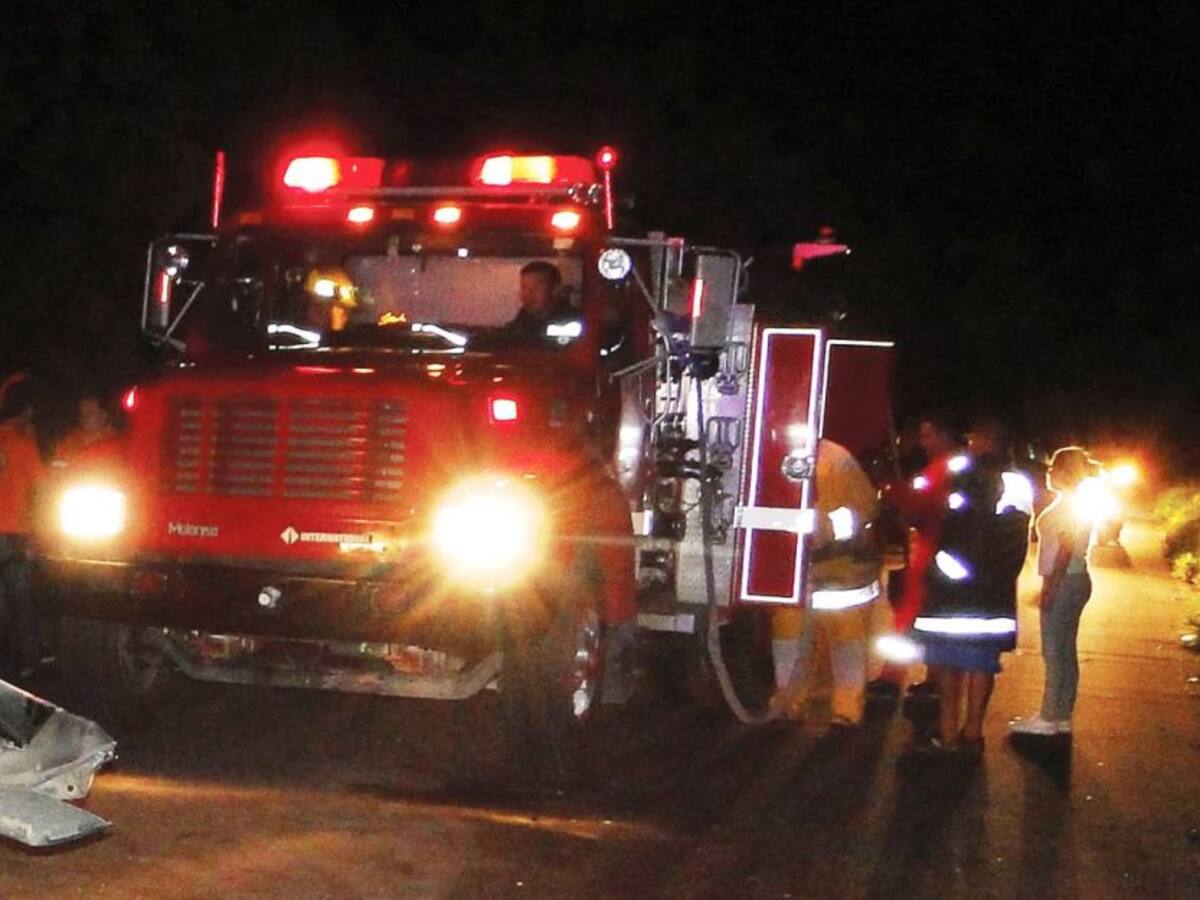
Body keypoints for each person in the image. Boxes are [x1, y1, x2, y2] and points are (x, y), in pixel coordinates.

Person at [909, 419, 1032, 758]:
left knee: (948, 663)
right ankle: (973, 732)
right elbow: (1014, 539)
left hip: (952, 590)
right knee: (982, 663)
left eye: (975, 436)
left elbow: (942, 523)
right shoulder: (1018, 483)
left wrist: (945, 570)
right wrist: (998, 577)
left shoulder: (962, 474)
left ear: (984, 440)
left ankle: (948, 731)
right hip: (993, 593)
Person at [771, 438, 883, 729]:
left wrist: (820, 529)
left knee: (846, 644)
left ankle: (846, 709)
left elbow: (865, 507)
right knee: (788, 638)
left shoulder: (835, 458)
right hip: (796, 576)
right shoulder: (775, 453)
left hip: (842, 575)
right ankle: (790, 701)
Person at [1009, 447, 1097, 736]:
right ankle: (1061, 714)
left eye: (1053, 469)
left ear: (1065, 472)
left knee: (1054, 650)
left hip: (1066, 580)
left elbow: (1064, 550)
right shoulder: (1073, 503)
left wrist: (1050, 587)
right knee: (1065, 650)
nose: (1048, 474)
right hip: (1074, 580)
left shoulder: (1070, 506)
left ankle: (1049, 716)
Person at [0, 375, 49, 679]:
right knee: (21, 599)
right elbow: (40, 487)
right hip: (14, 531)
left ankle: (5, 659)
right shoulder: (23, 442)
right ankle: (29, 660)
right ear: (28, 411)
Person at [505, 261, 577, 338]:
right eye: (524, 288)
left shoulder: (570, 320)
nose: (526, 295)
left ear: (555, 290)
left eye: (535, 288)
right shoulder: (525, 315)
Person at [53, 394, 118, 464]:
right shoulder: (69, 442)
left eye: (90, 413)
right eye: (82, 414)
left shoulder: (117, 442)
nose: (85, 417)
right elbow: (58, 465)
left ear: (104, 415)